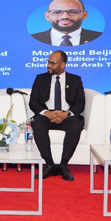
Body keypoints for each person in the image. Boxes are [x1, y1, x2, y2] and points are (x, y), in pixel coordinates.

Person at [28, 50, 85, 181]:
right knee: (37, 123)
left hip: (67, 115)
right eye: (48, 62)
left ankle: (64, 165)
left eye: (53, 63)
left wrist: (67, 114)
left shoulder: (75, 80)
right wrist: (47, 113)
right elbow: (33, 102)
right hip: (47, 115)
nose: (49, 65)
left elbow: (80, 103)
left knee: (76, 125)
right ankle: (49, 164)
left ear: (63, 65)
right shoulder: (40, 79)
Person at [31, 0, 102, 46]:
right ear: (47, 16)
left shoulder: (98, 37)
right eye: (57, 12)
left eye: (73, 12)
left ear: (84, 15)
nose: (65, 16)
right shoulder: (34, 39)